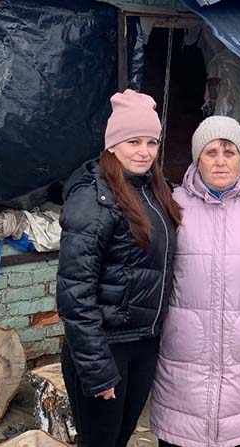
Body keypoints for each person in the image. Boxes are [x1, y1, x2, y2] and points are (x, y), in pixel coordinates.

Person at [151, 116, 240, 447]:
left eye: (230, 152)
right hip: (181, 367)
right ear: (197, 158)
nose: (220, 161)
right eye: (211, 152)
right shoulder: (172, 206)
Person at [56, 90, 183, 447]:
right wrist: (96, 367)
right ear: (113, 144)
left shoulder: (155, 191)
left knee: (120, 439)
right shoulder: (94, 198)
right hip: (107, 346)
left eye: (151, 142)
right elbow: (74, 291)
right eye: (133, 141)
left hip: (143, 343)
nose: (144, 151)